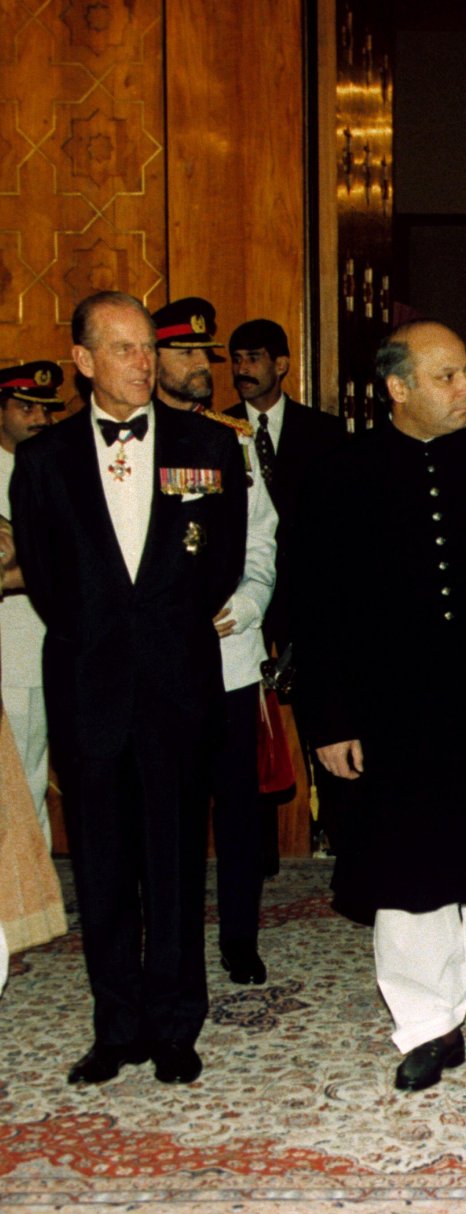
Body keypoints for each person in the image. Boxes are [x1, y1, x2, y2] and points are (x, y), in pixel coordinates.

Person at [295, 320, 466, 1093]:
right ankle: (428, 1025)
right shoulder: (338, 473)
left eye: (465, 375)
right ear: (397, 387)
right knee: (408, 874)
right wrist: (330, 720)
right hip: (392, 711)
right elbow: (315, 610)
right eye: (447, 377)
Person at [12, 291, 246, 1083]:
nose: (144, 364)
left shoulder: (209, 446)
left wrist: (164, 627)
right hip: (89, 686)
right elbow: (43, 579)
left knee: (178, 860)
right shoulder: (43, 462)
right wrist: (108, 633)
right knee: (103, 865)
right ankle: (117, 1026)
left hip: (179, 681)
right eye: (123, 349)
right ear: (82, 361)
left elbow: (222, 560)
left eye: (148, 348)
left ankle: (178, 1024)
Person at [153, 299, 278, 985]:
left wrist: (252, 596)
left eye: (210, 354)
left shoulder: (234, 440)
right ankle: (171, 943)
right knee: (167, 811)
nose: (207, 366)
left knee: (239, 811)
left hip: (230, 654)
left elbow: (262, 535)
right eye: (190, 354)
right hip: (163, 662)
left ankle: (239, 936)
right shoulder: (135, 441)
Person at [225, 319, 345, 852]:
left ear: (282, 364)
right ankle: (260, 850)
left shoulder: (324, 433)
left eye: (253, 358)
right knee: (250, 732)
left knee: (323, 718)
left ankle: (333, 835)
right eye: (235, 359)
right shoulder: (216, 431)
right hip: (244, 600)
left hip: (311, 600)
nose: (242, 370)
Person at [0, 362, 65, 846]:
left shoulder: (58, 466)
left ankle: (33, 906)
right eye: (26, 407)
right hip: (10, 645)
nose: (40, 418)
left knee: (32, 778)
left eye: (46, 408)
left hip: (51, 642)